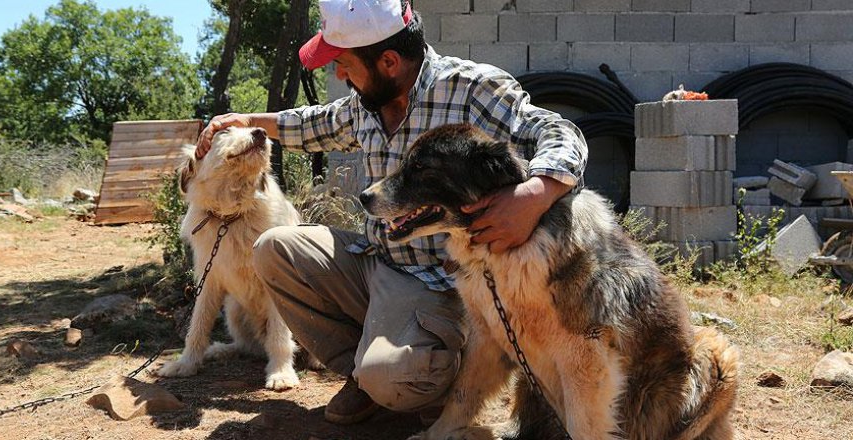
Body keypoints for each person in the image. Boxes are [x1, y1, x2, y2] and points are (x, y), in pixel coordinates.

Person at [194, 0, 588, 426]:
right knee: (274, 247)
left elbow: (559, 131)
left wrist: (535, 193)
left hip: (440, 284)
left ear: (388, 60)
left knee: (394, 380)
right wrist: (240, 120)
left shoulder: (473, 88)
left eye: (343, 63)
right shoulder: (366, 101)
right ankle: (363, 374)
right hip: (377, 263)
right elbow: (310, 125)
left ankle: (430, 378)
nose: (339, 75)